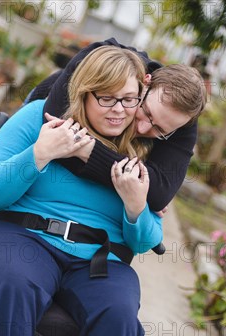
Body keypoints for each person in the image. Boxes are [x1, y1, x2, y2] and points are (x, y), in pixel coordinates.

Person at [0, 45, 167, 336]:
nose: (119, 110)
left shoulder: (140, 149)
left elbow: (146, 241)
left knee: (119, 312)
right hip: (20, 232)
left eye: (129, 99)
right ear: (84, 91)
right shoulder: (37, 118)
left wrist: (136, 209)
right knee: (18, 280)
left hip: (96, 257)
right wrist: (40, 154)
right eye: (107, 98)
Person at [28, 38, 207, 212]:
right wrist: (132, 185)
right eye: (147, 112)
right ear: (145, 83)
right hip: (38, 103)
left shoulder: (183, 118)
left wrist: (87, 150)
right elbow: (56, 135)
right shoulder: (99, 55)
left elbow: (158, 194)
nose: (143, 128)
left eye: (160, 130)